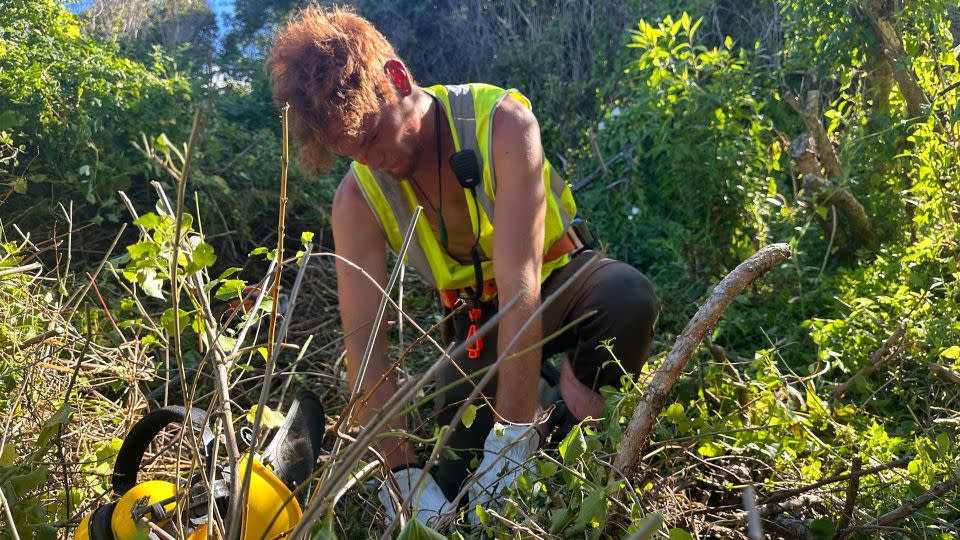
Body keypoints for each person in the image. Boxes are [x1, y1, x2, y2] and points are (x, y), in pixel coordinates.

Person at [267, 5, 659, 527]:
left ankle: (570, 433)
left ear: (398, 78)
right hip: (478, 327)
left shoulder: (502, 124)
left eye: (373, 136)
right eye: (351, 153)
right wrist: (399, 469)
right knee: (448, 484)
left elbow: (521, 286)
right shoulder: (356, 198)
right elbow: (364, 343)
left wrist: (512, 437)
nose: (372, 160)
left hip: (561, 282)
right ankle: (527, 411)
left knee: (627, 298)